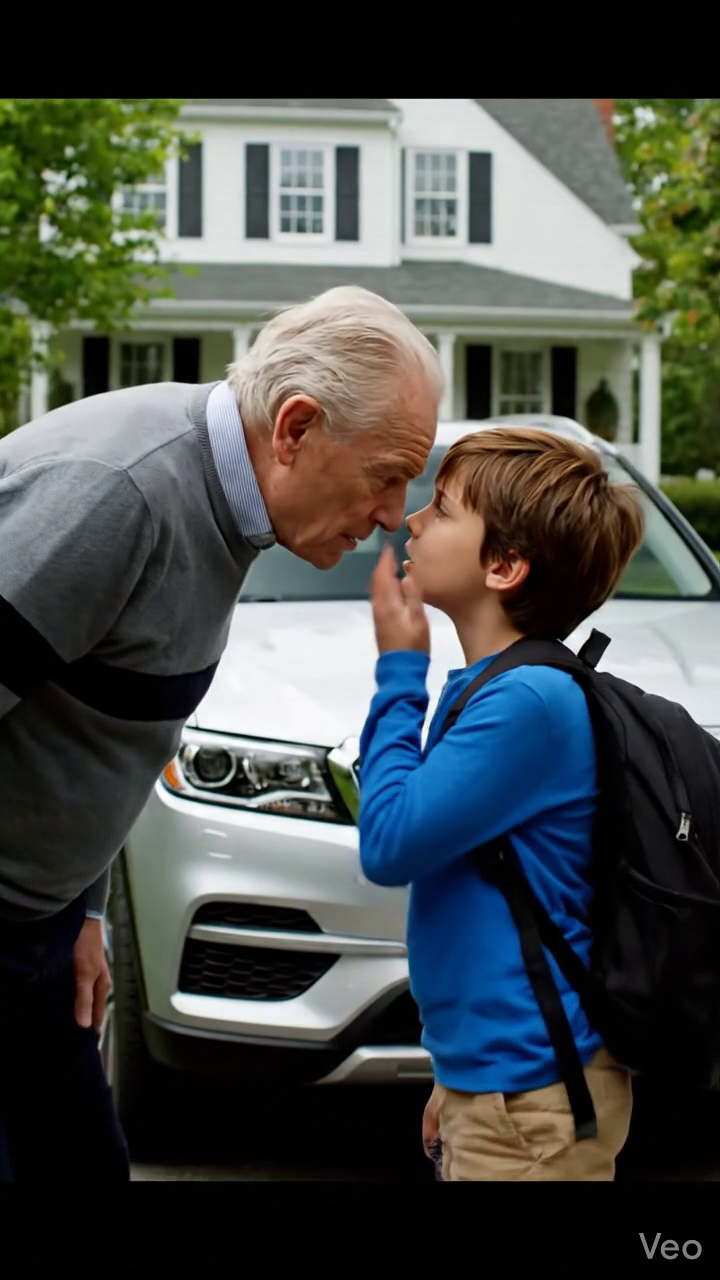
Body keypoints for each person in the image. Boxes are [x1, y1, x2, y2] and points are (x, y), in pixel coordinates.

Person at [0, 285, 442, 1183]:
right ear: (295, 429)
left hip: (38, 934)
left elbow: (93, 724)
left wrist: (80, 913)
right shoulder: (116, 496)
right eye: (387, 473)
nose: (396, 513)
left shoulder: (230, 508)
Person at [358, 426, 645, 1181]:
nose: (414, 520)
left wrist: (398, 669)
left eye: (444, 509)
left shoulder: (527, 701)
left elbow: (389, 841)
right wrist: (460, 1080)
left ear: (505, 565)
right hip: (508, 1086)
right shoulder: (504, 689)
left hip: (531, 1100)